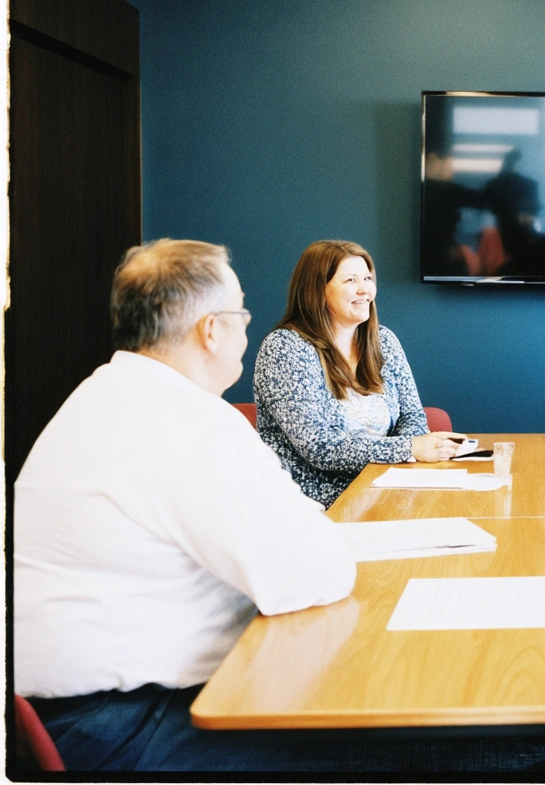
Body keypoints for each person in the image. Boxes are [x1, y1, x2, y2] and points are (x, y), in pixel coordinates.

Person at [13, 239, 366, 771]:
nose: (248, 328)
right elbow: (318, 570)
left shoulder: (105, 395)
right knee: (399, 738)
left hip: (76, 716)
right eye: (242, 312)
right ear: (211, 328)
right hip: (123, 728)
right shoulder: (184, 421)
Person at [254, 240, 465, 507]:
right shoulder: (285, 348)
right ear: (317, 289)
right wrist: (409, 449)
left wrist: (398, 464)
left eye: (367, 278)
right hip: (313, 503)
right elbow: (320, 448)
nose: (365, 289)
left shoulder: (383, 341)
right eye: (350, 280)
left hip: (385, 487)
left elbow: (412, 416)